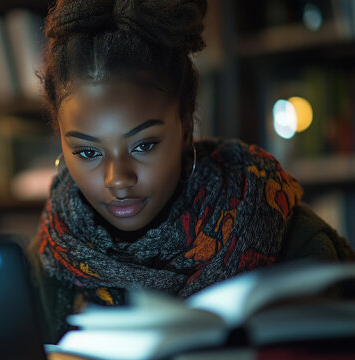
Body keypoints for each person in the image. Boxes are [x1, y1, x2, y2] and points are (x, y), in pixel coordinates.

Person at [26, 0, 355, 343]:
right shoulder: (47, 260)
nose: (118, 179)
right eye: (88, 152)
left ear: (185, 127)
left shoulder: (289, 236)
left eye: (144, 145)